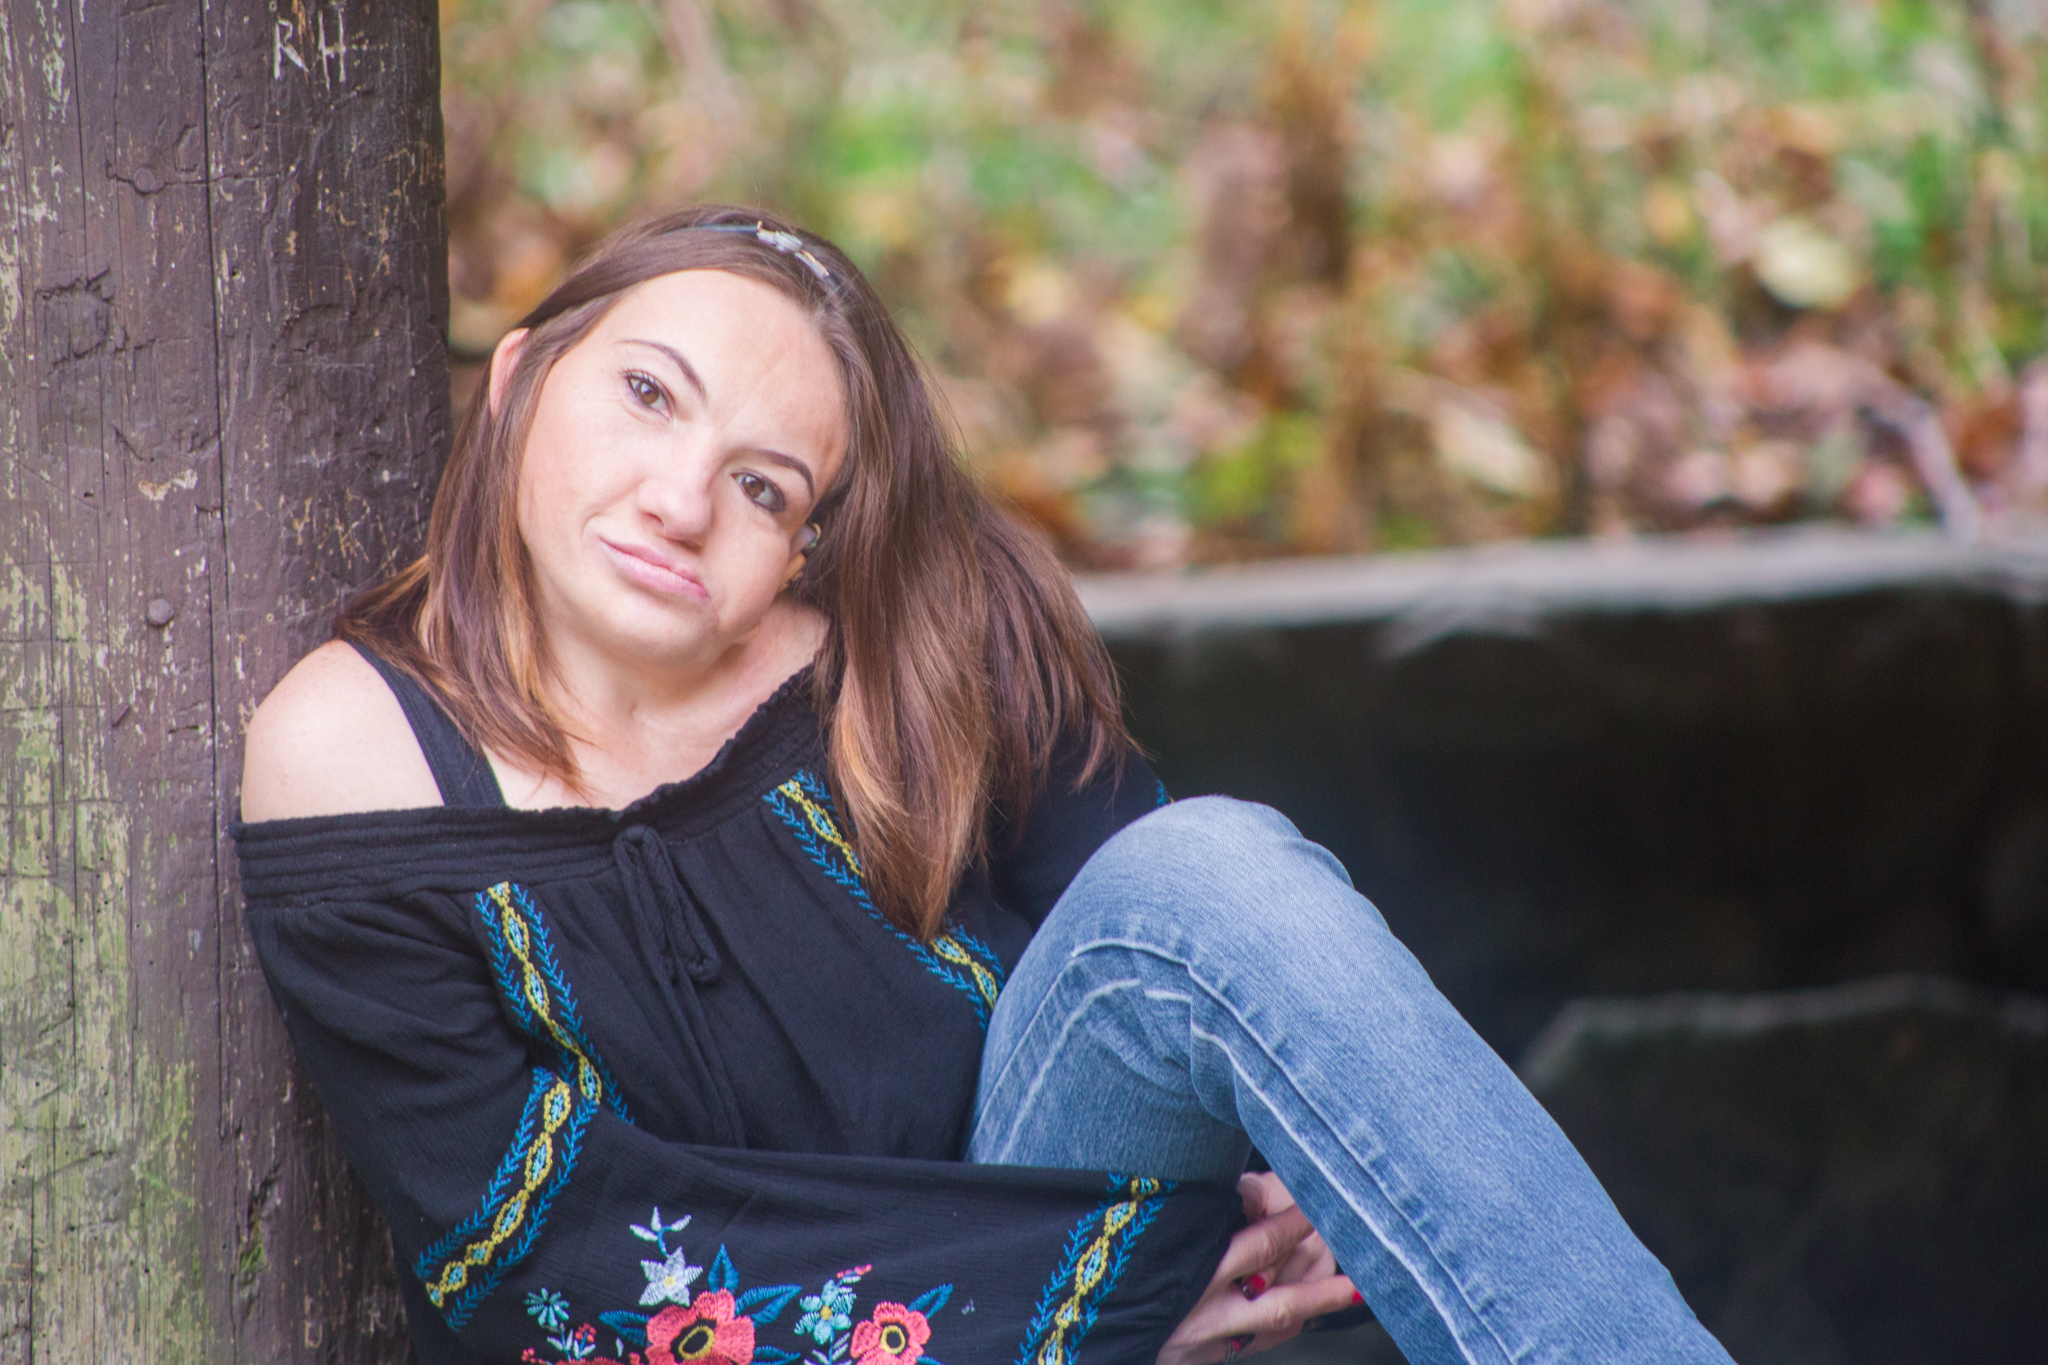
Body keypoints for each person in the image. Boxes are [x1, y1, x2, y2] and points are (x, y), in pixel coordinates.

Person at [237, 205, 1733, 1365]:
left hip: (1056, 1207)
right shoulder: (352, 754)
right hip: (885, 1327)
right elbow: (543, 1267)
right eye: (646, 394)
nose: (681, 500)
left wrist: (1288, 1169)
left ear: (803, 546)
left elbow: (1201, 972)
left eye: (763, 485)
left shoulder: (913, 640)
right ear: (518, 377)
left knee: (1208, 873)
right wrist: (1094, 1304)